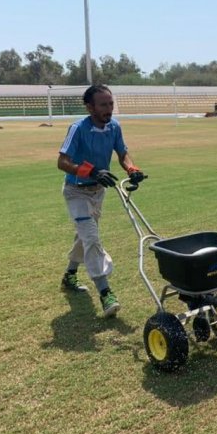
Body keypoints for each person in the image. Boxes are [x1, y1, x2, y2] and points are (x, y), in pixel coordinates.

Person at [57, 84, 145, 317]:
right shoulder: (78, 129)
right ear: (90, 107)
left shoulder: (114, 127)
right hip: (76, 191)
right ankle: (105, 292)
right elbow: (62, 162)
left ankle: (70, 275)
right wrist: (91, 171)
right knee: (92, 238)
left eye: (111, 104)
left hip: (98, 192)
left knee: (84, 235)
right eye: (103, 105)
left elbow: (122, 153)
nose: (109, 109)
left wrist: (131, 168)